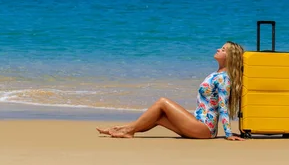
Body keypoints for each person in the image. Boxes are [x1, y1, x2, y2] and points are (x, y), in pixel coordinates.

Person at [96, 41, 245, 141]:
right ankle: (123, 129)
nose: (218, 49)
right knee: (159, 117)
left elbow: (223, 106)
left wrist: (228, 133)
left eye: (223, 49)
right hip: (199, 124)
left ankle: (127, 130)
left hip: (205, 129)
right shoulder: (216, 74)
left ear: (230, 57)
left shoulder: (223, 78)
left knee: (163, 103)